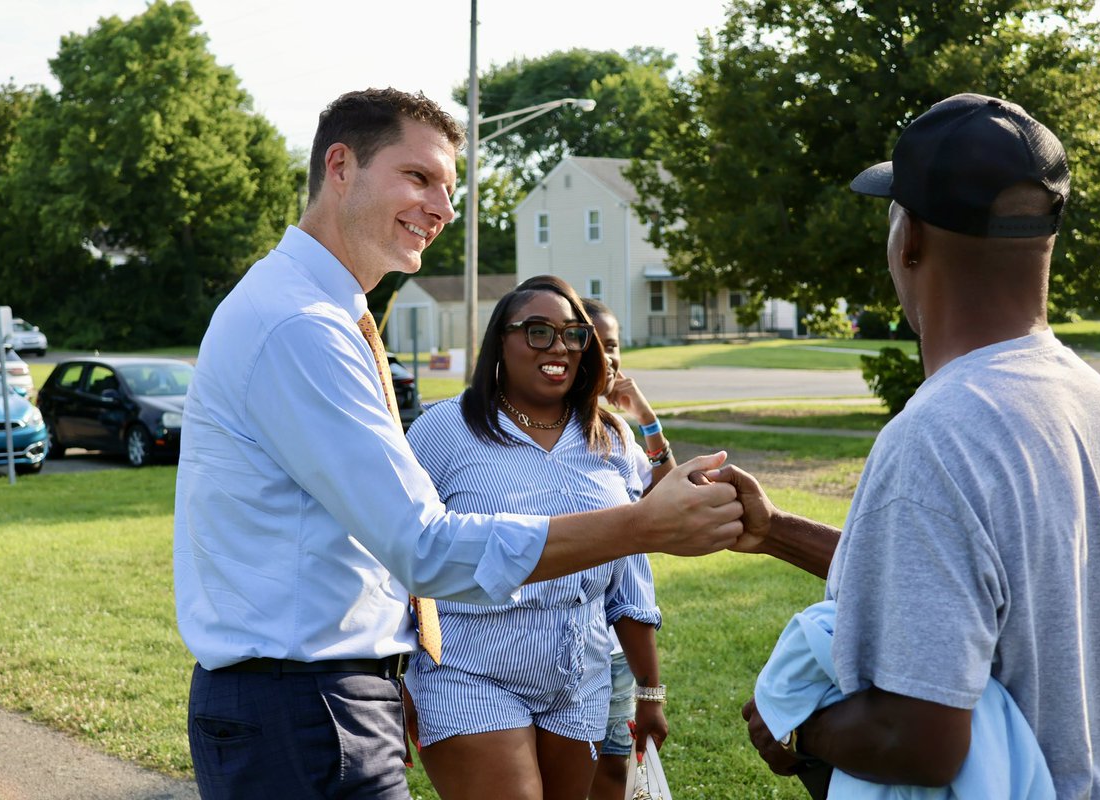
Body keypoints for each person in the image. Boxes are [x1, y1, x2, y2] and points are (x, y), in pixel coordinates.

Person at [172, 88, 744, 800]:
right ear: (340, 165)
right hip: (300, 709)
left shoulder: (323, 311)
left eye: (450, 188)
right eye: (418, 177)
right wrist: (640, 525)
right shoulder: (300, 325)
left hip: (320, 701)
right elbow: (424, 546)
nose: (443, 208)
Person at [722, 93, 1100, 798]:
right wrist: (776, 532)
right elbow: (974, 596)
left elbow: (921, 740)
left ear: (910, 238)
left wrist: (798, 730)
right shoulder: (1090, 398)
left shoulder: (935, 434)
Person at [401, 276, 666, 800]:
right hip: (468, 671)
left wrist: (650, 690)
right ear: (500, 340)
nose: (560, 348)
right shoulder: (442, 431)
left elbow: (631, 574)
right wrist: (395, 678)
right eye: (538, 332)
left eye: (573, 334)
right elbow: (394, 553)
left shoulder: (609, 434)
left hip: (580, 678)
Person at [581, 297, 673, 800]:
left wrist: (647, 419)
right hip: (554, 640)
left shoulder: (613, 433)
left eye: (612, 344)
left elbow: (663, 503)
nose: (604, 354)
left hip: (615, 648)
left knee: (613, 769)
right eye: (592, 341)